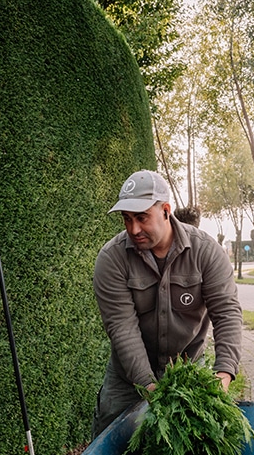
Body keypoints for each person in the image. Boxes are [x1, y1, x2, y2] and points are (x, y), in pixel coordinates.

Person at [92, 169, 243, 437]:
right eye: (127, 219)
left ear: (165, 210)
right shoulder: (112, 259)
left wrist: (223, 375)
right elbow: (122, 328)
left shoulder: (206, 252)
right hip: (128, 378)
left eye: (142, 218)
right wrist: (150, 389)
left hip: (187, 372)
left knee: (190, 449)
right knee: (113, 446)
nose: (133, 229)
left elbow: (227, 314)